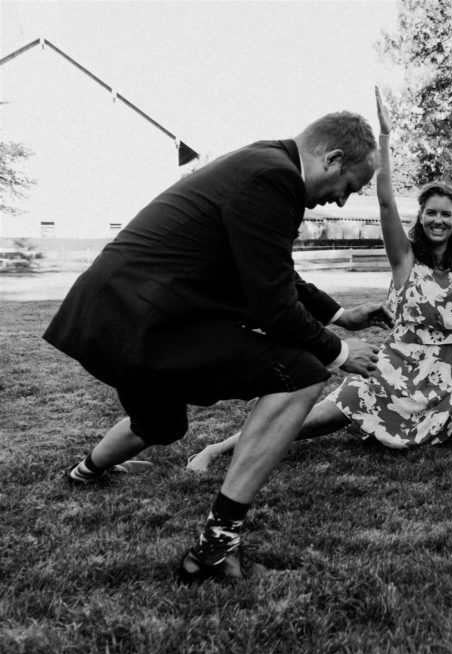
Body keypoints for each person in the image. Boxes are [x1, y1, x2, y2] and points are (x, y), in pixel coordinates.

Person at [44, 111, 392, 583]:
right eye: (349, 186)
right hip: (143, 318)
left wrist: (337, 314)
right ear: (332, 159)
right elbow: (273, 307)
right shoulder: (275, 178)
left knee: (162, 422)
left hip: (114, 315)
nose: (339, 202)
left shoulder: (260, 162)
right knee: (303, 373)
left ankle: (83, 474)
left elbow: (271, 270)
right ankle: (214, 550)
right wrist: (341, 353)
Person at [187, 87, 452, 469]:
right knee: (310, 421)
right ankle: (216, 450)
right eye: (431, 213)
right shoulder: (404, 258)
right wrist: (386, 136)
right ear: (420, 217)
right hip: (395, 371)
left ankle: (439, 422)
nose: (438, 220)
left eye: (446, 214)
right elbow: (387, 200)